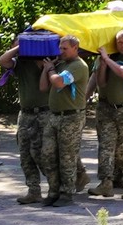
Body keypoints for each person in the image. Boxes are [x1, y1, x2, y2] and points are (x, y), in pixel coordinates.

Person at [87, 30, 123, 200]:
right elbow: (101, 82)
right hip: (107, 108)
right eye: (120, 42)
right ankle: (106, 183)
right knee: (105, 146)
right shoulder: (107, 57)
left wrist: (106, 59)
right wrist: (103, 63)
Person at [38, 35, 88, 207]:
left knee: (67, 157)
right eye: (60, 48)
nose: (61, 51)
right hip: (54, 116)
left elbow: (59, 82)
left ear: (76, 48)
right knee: (47, 155)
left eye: (65, 48)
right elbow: (44, 87)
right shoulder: (60, 64)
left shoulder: (78, 66)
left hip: (71, 117)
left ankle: (67, 193)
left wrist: (51, 70)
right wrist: (46, 69)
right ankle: (53, 191)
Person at [0, 40, 51, 204]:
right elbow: (3, 60)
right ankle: (33, 190)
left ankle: (57, 188)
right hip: (25, 114)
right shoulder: (18, 63)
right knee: (25, 154)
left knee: (43, 154)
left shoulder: (45, 60)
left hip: (44, 112)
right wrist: (20, 47)